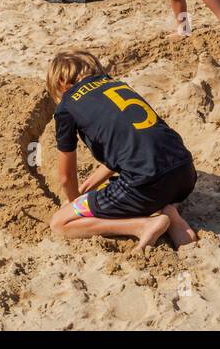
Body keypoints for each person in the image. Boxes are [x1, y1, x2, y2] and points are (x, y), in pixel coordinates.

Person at [46, 49, 198, 247]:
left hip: (145, 186)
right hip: (185, 174)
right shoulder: (116, 85)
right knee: (153, 185)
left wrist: (75, 202)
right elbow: (129, 149)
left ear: (59, 83)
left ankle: (141, 225)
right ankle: (169, 210)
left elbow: (66, 178)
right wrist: (87, 188)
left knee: (59, 223)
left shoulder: (66, 107)